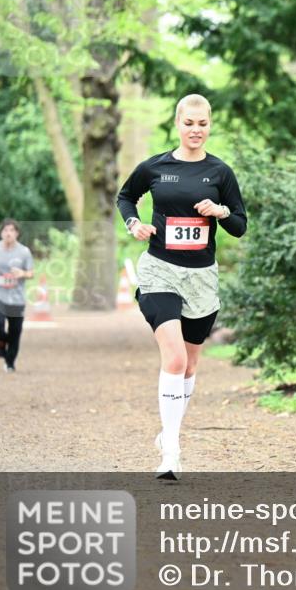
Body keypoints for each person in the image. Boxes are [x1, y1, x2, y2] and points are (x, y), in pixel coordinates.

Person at [116, 94, 247, 480]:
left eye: (202, 123)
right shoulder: (156, 167)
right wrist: (133, 224)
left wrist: (220, 211)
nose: (195, 130)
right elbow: (126, 197)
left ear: (210, 125)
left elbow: (240, 224)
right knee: (173, 359)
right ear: (178, 123)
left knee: (189, 364)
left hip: (201, 278)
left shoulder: (220, 173)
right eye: (189, 123)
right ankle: (170, 449)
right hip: (159, 270)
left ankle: (167, 434)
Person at [0, 218, 34, 373]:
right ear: (1, 233)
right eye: (5, 230)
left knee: (15, 331)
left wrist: (22, 273)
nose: (8, 233)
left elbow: (31, 273)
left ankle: (10, 362)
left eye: (12, 230)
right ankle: (2, 340)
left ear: (17, 233)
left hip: (17, 298)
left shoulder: (24, 252)